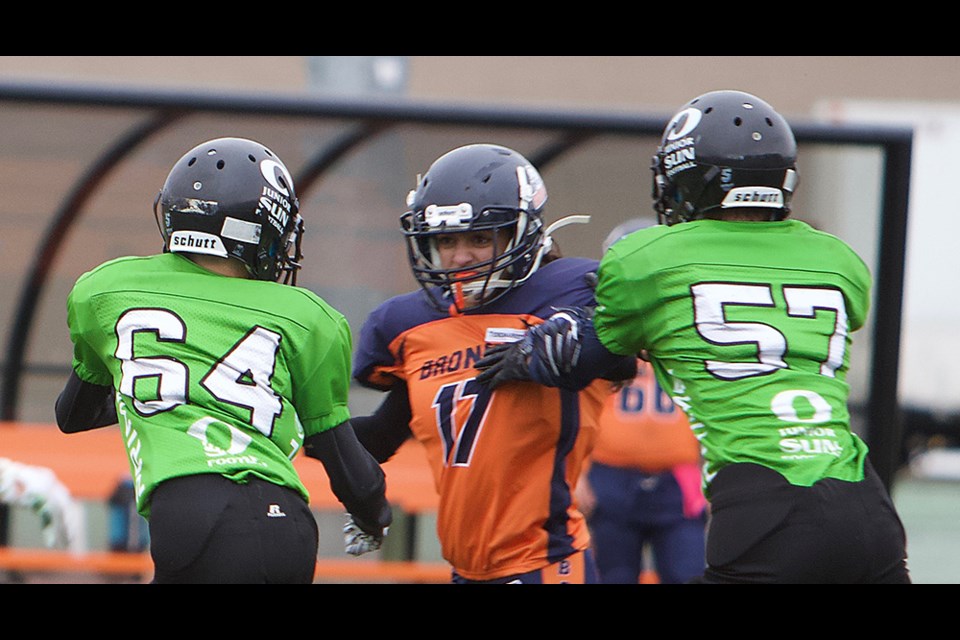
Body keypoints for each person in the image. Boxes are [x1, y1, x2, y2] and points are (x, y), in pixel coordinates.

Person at [476, 91, 911, 584]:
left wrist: (532, 352)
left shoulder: (648, 259)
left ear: (688, 179)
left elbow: (585, 357)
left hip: (764, 507)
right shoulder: (838, 260)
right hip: (867, 506)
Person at [55, 137, 392, 584]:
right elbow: (344, 459)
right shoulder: (308, 318)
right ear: (263, 232)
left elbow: (73, 414)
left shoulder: (105, 291)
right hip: (284, 522)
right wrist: (373, 513)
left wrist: (170, 389)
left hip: (190, 516)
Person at [350, 143, 635, 584]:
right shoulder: (412, 327)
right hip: (466, 571)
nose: (460, 256)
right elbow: (382, 434)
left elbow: (621, 360)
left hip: (545, 564)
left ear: (521, 234)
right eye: (447, 240)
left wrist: (574, 340)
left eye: (480, 238)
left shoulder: (571, 294)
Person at [575, 217, 707, 585]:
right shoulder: (598, 331)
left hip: (678, 478)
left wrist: (714, 471)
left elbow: (716, 406)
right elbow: (575, 405)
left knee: (689, 575)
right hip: (609, 477)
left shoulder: (694, 328)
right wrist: (579, 473)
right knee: (613, 577)